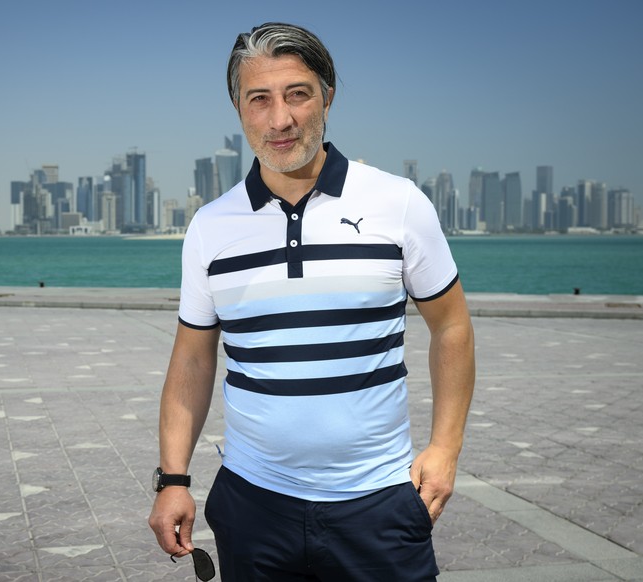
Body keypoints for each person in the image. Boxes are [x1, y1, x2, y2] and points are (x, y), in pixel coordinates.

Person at [148, 22, 475, 581]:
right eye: (260, 99)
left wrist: (444, 451)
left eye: (297, 93)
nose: (280, 119)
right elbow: (193, 358)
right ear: (238, 108)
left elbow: (452, 327)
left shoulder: (397, 204)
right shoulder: (210, 227)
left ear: (328, 95)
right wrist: (173, 479)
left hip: (379, 502)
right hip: (253, 505)